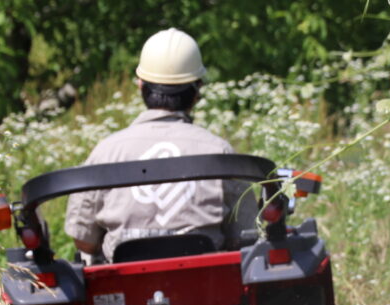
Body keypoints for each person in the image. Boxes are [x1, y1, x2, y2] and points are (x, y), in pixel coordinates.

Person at [65, 28, 255, 261]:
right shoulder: (219, 152)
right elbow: (246, 234)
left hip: (124, 287)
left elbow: (83, 239)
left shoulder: (106, 152)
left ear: (141, 86)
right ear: (197, 91)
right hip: (208, 287)